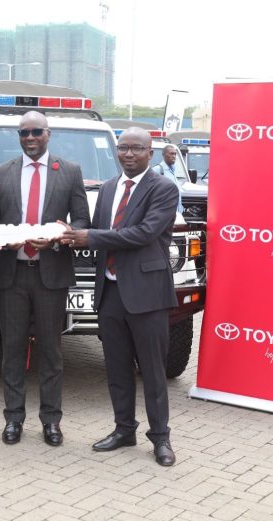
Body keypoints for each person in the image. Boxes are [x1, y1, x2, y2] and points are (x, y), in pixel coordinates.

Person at [61, 127, 179, 466]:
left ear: (150, 153)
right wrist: (66, 233)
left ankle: (160, 438)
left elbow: (144, 233)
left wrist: (90, 237)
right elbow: (98, 230)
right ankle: (124, 429)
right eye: (123, 147)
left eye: (136, 148)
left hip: (147, 294)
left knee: (153, 371)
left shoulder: (164, 188)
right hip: (110, 291)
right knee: (116, 368)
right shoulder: (109, 187)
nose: (128, 154)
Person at [0, 111, 90, 446]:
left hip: (50, 275)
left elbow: (82, 221)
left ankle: (51, 421)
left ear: (48, 134)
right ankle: (13, 419)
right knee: (12, 351)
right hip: (11, 275)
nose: (30, 138)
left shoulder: (69, 171)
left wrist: (60, 236)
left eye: (36, 132)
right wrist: (3, 238)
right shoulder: (1, 173)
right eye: (23, 133)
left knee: (51, 353)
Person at [152, 144, 184, 214]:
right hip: (163, 213)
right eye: (171, 154)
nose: (174, 156)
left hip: (176, 213)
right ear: (164, 155)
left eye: (175, 154)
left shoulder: (173, 170)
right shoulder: (157, 170)